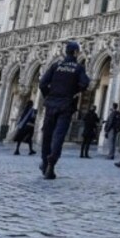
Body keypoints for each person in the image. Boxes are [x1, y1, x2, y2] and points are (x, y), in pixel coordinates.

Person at [38, 41, 90, 179]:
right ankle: (51, 163)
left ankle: (44, 162)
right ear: (75, 53)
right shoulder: (78, 68)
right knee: (59, 136)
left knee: (47, 135)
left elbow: (42, 83)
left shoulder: (56, 66)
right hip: (66, 104)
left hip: (51, 104)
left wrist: (48, 96)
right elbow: (85, 83)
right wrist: (74, 91)